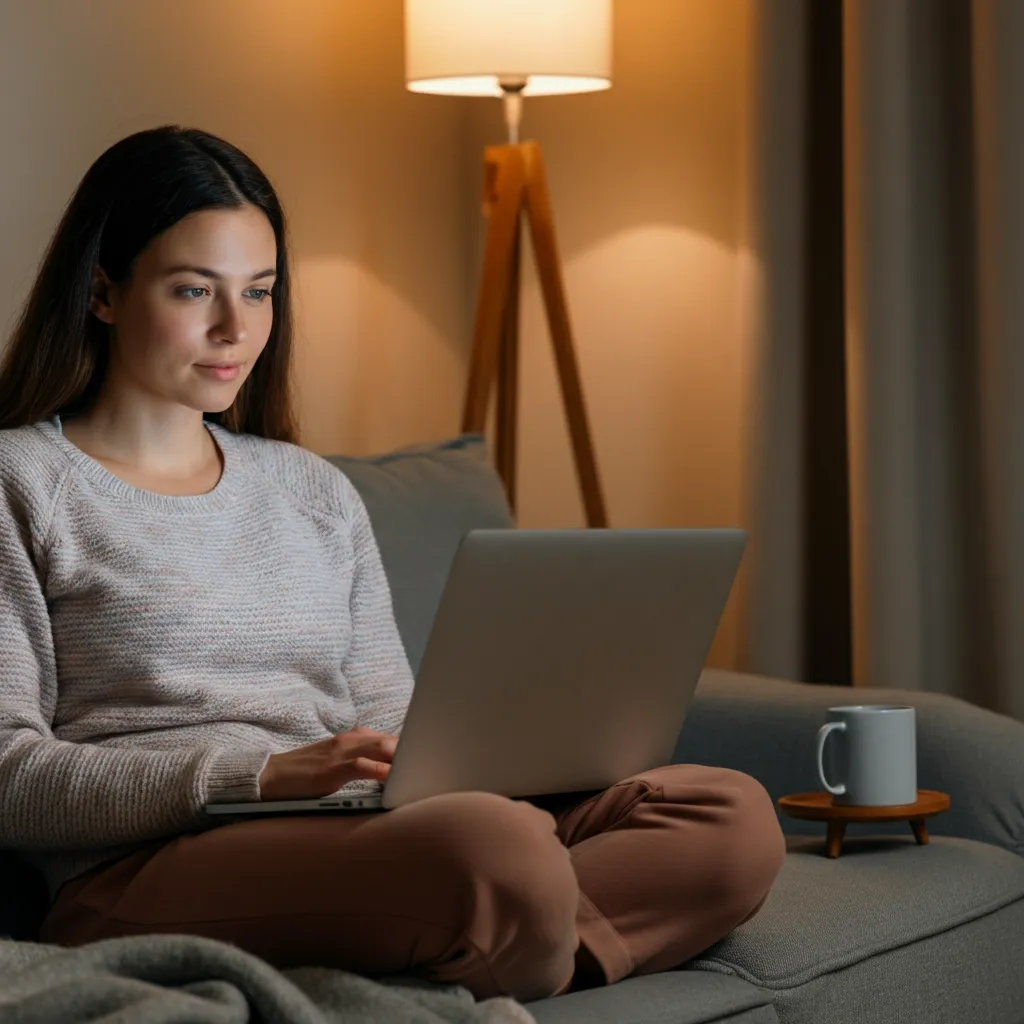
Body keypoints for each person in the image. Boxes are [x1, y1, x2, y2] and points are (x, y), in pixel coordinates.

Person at [0, 125, 786, 1004]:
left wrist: (464, 762)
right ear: (103, 292)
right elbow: (12, 778)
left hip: (348, 830)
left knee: (730, 817)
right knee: (496, 852)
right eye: (195, 290)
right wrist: (261, 775)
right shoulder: (22, 483)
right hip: (138, 868)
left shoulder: (311, 489)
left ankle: (509, 936)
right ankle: (504, 921)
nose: (236, 328)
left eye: (259, 293)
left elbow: (390, 720)